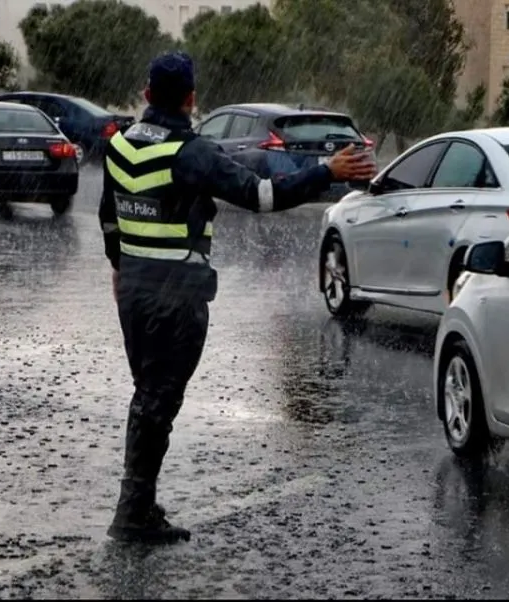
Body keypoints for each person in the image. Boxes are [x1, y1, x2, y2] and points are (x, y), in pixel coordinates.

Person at [98, 51, 377, 545]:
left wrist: (120, 267)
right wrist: (326, 171)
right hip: (177, 297)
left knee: (148, 394)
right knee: (158, 400)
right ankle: (132, 513)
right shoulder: (191, 152)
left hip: (135, 293)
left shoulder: (120, 146)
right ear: (191, 99)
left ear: (146, 95)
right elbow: (262, 195)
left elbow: (109, 218)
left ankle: (138, 505)